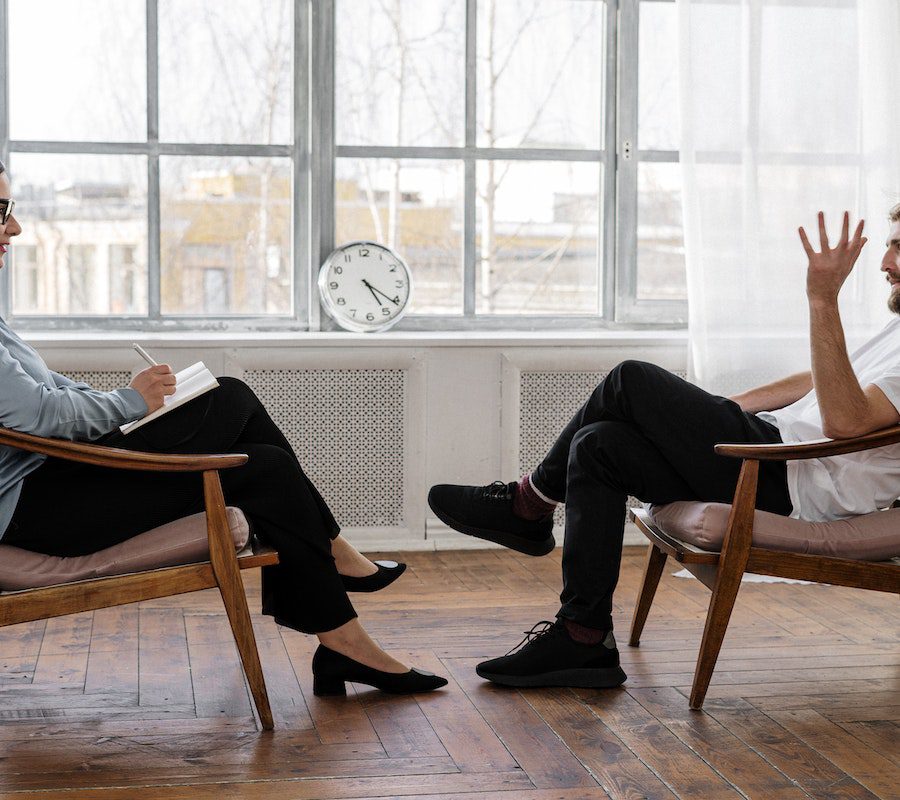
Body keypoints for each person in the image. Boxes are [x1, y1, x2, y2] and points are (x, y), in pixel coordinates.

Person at [0, 160, 446, 697]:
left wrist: (125, 401)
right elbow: (38, 416)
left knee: (268, 466)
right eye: (3, 212)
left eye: (13, 210)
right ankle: (334, 559)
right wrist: (128, 402)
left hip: (55, 478)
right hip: (34, 508)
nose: (16, 228)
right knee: (230, 395)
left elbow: (49, 391)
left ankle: (344, 644)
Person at [429, 205, 900, 690]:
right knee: (597, 445)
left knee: (630, 379)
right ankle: (584, 636)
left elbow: (847, 421)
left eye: (898, 247)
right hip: (766, 449)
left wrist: (822, 299)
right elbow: (822, 379)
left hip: (788, 476)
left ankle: (527, 505)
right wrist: (716, 411)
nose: (885, 261)